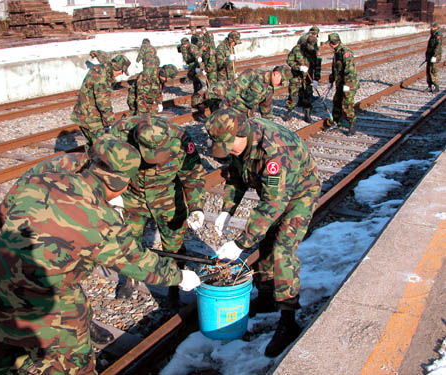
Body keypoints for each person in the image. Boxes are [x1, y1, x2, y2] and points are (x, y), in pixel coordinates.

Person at [0, 135, 201, 375]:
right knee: (75, 365)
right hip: (49, 315)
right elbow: (139, 263)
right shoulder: (101, 218)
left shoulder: (39, 181)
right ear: (122, 185)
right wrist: (180, 277)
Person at [204, 112, 321, 358]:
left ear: (242, 134)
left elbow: (272, 205)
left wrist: (240, 243)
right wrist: (227, 210)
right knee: (266, 243)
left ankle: (288, 319)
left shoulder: (274, 151)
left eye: (228, 146)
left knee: (281, 250)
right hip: (275, 193)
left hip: (300, 192)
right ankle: (267, 297)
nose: (226, 151)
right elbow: (236, 177)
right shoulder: (239, 145)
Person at [109, 116, 207, 305]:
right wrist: (114, 197)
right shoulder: (119, 134)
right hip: (132, 194)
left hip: (167, 195)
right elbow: (106, 166)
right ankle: (130, 278)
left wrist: (196, 206)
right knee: (129, 239)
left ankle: (174, 283)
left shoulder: (181, 140)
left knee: (174, 241)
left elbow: (192, 175)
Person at [71, 54, 131, 148]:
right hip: (90, 117)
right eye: (122, 71)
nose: (121, 74)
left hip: (84, 113)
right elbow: (103, 102)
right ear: (117, 68)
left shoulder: (102, 68)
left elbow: (102, 55)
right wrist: (111, 122)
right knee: (101, 147)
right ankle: (95, 161)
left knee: (93, 145)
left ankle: (90, 159)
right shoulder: (102, 77)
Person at [208, 65, 292, 118]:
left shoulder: (269, 89)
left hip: (243, 113)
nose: (280, 85)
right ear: (276, 74)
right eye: (281, 82)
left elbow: (266, 109)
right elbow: (231, 93)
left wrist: (269, 128)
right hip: (223, 99)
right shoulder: (253, 75)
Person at [326, 32, 359, 135]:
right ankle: (335, 122)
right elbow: (335, 69)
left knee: (347, 104)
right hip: (340, 83)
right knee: (336, 101)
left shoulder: (345, 52)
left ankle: (352, 124)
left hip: (349, 84)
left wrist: (347, 85)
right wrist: (331, 81)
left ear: (332, 43)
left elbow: (350, 70)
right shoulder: (337, 52)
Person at [285, 36, 321, 123]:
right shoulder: (297, 49)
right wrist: (299, 67)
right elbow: (289, 61)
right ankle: (289, 112)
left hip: (307, 79)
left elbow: (317, 66)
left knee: (307, 96)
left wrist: (316, 79)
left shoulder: (314, 52)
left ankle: (307, 115)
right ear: (306, 44)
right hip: (296, 77)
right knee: (292, 95)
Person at [178, 37, 206, 110]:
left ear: (187, 43)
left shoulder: (192, 48)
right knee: (193, 79)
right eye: (183, 44)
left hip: (195, 64)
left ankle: (199, 88)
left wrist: (200, 67)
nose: (183, 45)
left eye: (184, 44)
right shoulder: (183, 47)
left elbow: (198, 57)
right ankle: (196, 92)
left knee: (192, 76)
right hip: (190, 64)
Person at [426, 22, 442, 93]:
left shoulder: (438, 35)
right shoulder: (432, 35)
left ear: (436, 27)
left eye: (432, 27)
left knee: (433, 70)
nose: (431, 28)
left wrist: (435, 56)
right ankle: (429, 86)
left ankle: (436, 86)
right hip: (430, 56)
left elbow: (438, 46)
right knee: (428, 71)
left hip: (435, 56)